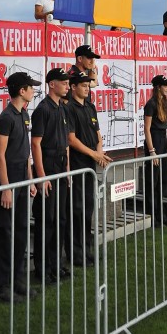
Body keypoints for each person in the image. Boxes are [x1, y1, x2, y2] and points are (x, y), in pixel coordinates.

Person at [0, 71, 39, 302]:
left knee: (20, 231)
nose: (33, 91)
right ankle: (1, 288)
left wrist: (30, 179)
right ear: (22, 90)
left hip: (22, 177)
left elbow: (26, 151)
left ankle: (17, 280)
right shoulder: (6, 117)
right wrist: (6, 188)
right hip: (8, 178)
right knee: (5, 233)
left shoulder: (24, 114)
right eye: (31, 87)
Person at [67, 71, 112, 266]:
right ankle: (76, 254)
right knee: (77, 210)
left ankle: (87, 250)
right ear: (73, 87)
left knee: (88, 209)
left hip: (90, 165)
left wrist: (99, 152)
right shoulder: (69, 108)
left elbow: (97, 134)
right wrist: (94, 154)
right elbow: (71, 139)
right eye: (83, 85)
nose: (87, 88)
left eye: (88, 85)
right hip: (77, 164)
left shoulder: (90, 106)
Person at [31, 67, 71, 285]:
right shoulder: (43, 109)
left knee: (60, 218)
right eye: (63, 83)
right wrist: (41, 176)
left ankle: (56, 264)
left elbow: (65, 142)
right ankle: (42, 268)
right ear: (52, 84)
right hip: (48, 165)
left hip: (61, 166)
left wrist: (68, 170)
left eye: (67, 83)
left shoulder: (62, 108)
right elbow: (36, 143)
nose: (67, 86)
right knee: (46, 219)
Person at [143, 75, 167, 226]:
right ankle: (152, 215)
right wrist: (152, 151)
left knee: (162, 180)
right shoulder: (151, 104)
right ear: (158, 87)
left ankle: (160, 213)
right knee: (152, 181)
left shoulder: (165, 103)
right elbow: (147, 129)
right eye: (165, 85)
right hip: (154, 141)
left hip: (163, 141)